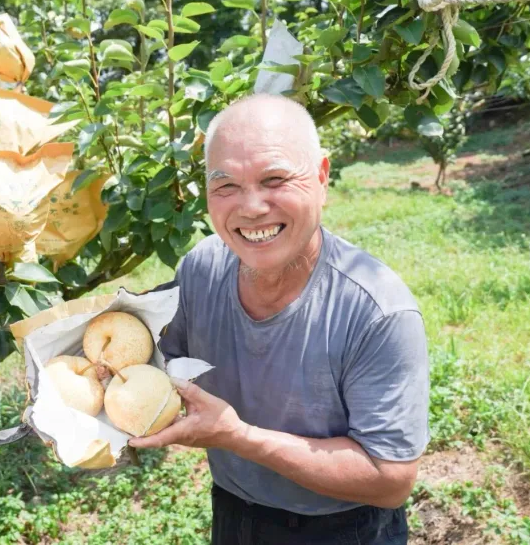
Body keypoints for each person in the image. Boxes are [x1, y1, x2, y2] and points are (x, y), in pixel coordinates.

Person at [128, 93, 431, 544]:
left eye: (274, 179)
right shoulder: (201, 269)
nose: (250, 207)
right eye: (226, 185)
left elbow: (390, 480)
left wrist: (239, 437)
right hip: (235, 511)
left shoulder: (378, 313)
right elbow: (150, 353)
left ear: (322, 178)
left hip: (343, 529)